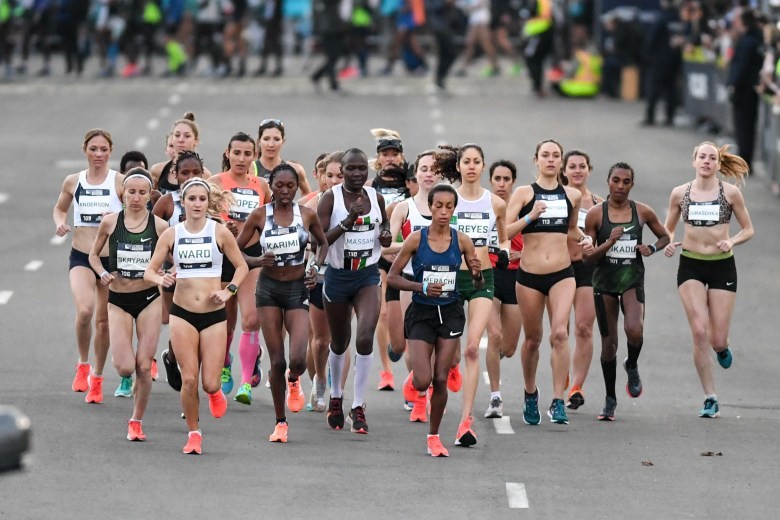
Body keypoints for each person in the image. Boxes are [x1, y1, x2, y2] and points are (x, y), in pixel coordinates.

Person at [144, 178, 248, 455]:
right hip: (182, 314)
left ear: (208, 201)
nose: (198, 204)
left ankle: (214, 393)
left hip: (213, 315)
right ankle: (194, 433)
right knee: (189, 380)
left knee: (210, 383)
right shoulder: (172, 234)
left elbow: (241, 267)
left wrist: (229, 291)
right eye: (192, 199)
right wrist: (162, 279)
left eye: (202, 199)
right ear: (183, 202)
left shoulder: (219, 232)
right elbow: (149, 271)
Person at [388, 184, 483, 457]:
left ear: (454, 210)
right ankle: (415, 381)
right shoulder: (415, 239)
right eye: (438, 206)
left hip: (450, 312)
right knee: (423, 381)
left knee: (440, 378)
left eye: (449, 206)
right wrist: (421, 287)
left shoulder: (462, 241)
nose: (443, 211)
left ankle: (434, 436)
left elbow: (476, 285)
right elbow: (393, 277)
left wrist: (476, 274)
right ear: (430, 207)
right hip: (422, 312)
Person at [237, 164, 329, 442]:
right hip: (268, 290)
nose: (286, 191)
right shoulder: (259, 216)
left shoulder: (307, 215)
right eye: (280, 186)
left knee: (297, 359)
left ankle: (294, 379)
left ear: (296, 187)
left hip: (297, 289)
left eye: (290, 186)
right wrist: (256, 261)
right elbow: (236, 250)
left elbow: (323, 244)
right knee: (277, 360)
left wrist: (315, 267)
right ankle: (280, 422)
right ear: (271, 187)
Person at [663, 142, 754, 418]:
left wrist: (732, 241)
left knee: (716, 339)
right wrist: (668, 242)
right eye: (701, 157)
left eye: (711, 158)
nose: (706, 161)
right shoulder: (680, 193)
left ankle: (722, 348)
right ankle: (710, 397)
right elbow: (667, 228)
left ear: (718, 164)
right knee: (699, 332)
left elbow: (748, 229)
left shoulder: (730, 193)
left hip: (721, 266)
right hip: (690, 264)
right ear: (693, 162)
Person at [432, 143, 508, 446]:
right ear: (459, 166)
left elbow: (503, 239)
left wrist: (503, 252)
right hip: (451, 277)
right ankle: (449, 368)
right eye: (467, 161)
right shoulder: (448, 200)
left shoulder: (496, 203)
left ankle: (465, 421)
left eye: (477, 161)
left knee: (473, 348)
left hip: (481, 279)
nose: (472, 166)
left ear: (483, 166)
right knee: (449, 351)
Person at [581, 162, 670, 421]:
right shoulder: (595, 215)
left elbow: (664, 236)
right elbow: (587, 258)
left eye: (626, 182)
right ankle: (610, 399)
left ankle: (631, 364)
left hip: (632, 280)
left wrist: (651, 248)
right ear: (608, 182)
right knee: (609, 345)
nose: (620, 186)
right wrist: (609, 242)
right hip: (604, 283)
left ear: (632, 184)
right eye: (616, 180)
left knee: (635, 329)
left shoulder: (642, 211)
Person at [505, 139, 583, 426]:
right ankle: (530, 393)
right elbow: (504, 230)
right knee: (533, 339)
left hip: (562, 274)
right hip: (529, 277)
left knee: (560, 334)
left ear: (561, 161)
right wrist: (530, 216)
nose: (550, 160)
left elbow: (571, 229)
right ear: (536, 160)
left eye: (555, 155)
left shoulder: (572, 195)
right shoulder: (524, 193)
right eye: (545, 155)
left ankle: (558, 400)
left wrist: (585, 238)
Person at [316, 148, 393, 434]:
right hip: (338, 276)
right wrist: (347, 221)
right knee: (339, 342)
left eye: (362, 168)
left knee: (364, 337)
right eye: (352, 169)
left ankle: (358, 405)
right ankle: (336, 396)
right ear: (343, 171)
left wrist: (385, 234)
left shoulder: (376, 197)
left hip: (367, 276)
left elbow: (384, 225)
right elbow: (320, 240)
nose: (358, 174)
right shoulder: (330, 198)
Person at [88, 169, 169, 440]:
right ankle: (128, 376)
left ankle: (136, 420)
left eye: (142, 193)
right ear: (122, 193)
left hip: (149, 298)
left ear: (150, 195)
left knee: (144, 366)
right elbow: (93, 255)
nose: (136, 198)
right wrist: (102, 273)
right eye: (131, 192)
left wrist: (167, 273)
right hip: (119, 299)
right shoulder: (111, 222)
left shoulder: (160, 226)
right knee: (125, 367)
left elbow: (175, 259)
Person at [53, 129, 124, 404]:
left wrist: (116, 215)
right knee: (85, 310)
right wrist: (60, 222)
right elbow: (60, 208)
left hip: (109, 261)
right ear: (85, 150)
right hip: (82, 256)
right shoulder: (74, 181)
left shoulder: (118, 181)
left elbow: (136, 212)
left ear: (110, 151)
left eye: (104, 149)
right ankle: (83, 364)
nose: (98, 154)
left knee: (103, 322)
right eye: (94, 149)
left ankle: (98, 377)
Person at [209, 132, 272, 398]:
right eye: (237, 153)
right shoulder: (214, 183)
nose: (241, 158)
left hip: (252, 257)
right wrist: (222, 225)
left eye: (247, 154)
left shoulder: (262, 186)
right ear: (228, 153)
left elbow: (270, 219)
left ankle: (246, 382)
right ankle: (225, 364)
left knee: (251, 318)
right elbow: (202, 218)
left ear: (254, 156)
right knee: (225, 321)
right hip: (222, 257)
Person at [385, 149, 439, 417]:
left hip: (443, 282)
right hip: (411, 281)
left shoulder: (450, 204)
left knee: (441, 347)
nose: (429, 174)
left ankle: (428, 387)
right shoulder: (404, 208)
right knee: (414, 341)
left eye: (434, 169)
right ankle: (419, 395)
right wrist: (411, 245)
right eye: (424, 169)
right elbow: (386, 246)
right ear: (415, 173)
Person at [152, 150, 207, 392]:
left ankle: (191, 379)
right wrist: (171, 261)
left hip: (204, 275)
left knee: (200, 328)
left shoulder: (209, 200)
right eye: (185, 173)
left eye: (196, 172)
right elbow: (152, 234)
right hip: (172, 275)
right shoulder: (167, 202)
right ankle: (172, 358)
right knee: (179, 324)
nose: (190, 177)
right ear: (175, 174)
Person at [304, 151, 347, 412]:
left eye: (339, 175)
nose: (333, 180)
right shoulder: (310, 206)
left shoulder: (361, 203)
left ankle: (337, 394)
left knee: (341, 338)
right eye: (329, 175)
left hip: (348, 275)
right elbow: (304, 242)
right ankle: (320, 379)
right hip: (319, 275)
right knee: (321, 340)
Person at [368, 129, 410, 392]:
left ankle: (401, 346)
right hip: (382, 255)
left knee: (407, 313)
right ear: (379, 158)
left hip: (408, 255)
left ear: (402, 157)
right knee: (382, 312)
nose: (391, 158)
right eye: (386, 154)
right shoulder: (370, 187)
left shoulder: (410, 184)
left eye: (395, 154)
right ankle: (386, 371)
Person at [561, 150, 602, 410]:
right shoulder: (556, 199)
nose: (577, 170)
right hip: (560, 267)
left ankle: (576, 386)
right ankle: (562, 373)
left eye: (582, 166)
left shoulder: (598, 204)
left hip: (588, 268)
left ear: (589, 170)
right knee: (560, 331)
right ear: (564, 171)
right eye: (572, 166)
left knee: (584, 327)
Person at [484, 160, 524, 418]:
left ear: (513, 182)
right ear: (490, 181)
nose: (501, 184)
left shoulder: (522, 208)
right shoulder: (483, 206)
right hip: (489, 274)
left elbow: (539, 243)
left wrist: (521, 253)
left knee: (508, 347)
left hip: (516, 276)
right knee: (494, 334)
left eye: (506, 179)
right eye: (497, 179)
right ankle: (495, 397)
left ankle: (494, 356)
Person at [727, 7, 764, 170]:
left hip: (744, 91)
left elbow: (741, 67)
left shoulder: (747, 41)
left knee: (744, 127)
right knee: (747, 127)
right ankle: (745, 159)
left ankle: (744, 160)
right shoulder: (754, 38)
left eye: (737, 20)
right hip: (749, 90)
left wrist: (733, 84)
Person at [150, 113, 212, 195]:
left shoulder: (205, 176)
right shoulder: (158, 170)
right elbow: (149, 199)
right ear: (172, 139)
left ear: (196, 141)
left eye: (187, 136)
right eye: (177, 135)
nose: (181, 140)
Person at [252, 118, 313, 195]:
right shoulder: (249, 169)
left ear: (283, 141)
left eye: (276, 139)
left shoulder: (295, 170)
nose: (271, 144)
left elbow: (308, 194)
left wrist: (297, 203)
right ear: (259, 141)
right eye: (266, 139)